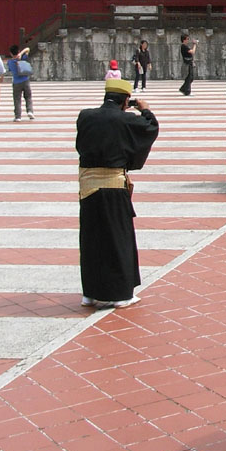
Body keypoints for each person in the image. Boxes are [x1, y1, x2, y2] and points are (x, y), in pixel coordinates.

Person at [76, 78, 159, 309]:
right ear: (125, 101)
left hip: (87, 186)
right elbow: (150, 128)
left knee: (92, 239)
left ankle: (90, 293)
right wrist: (145, 110)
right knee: (118, 239)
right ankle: (121, 294)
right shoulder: (126, 119)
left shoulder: (85, 116)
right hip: (113, 185)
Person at [7, 45, 35, 121]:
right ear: (18, 51)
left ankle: (18, 116)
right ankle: (30, 111)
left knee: (17, 99)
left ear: (11, 53)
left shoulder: (10, 62)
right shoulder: (23, 58)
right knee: (28, 97)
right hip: (25, 80)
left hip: (16, 82)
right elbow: (27, 49)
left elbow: (10, 70)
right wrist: (21, 54)